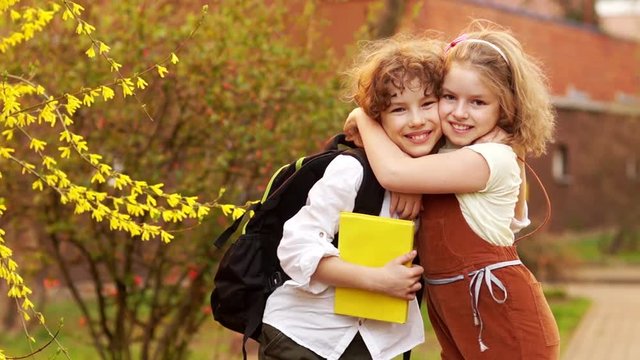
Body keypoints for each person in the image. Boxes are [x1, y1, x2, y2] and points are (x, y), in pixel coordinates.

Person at [345, 21, 560, 359]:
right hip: (458, 318)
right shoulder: (446, 155)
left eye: (477, 102)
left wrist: (363, 116)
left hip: (502, 318)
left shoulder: (489, 157)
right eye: (448, 97)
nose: (459, 113)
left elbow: (394, 173)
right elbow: (406, 164)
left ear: (506, 108)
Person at [258, 35, 446, 360]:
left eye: (428, 104)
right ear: (377, 118)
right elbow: (295, 248)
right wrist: (377, 280)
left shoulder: (442, 175)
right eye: (399, 109)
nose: (417, 120)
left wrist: (410, 178)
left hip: (378, 346)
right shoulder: (352, 171)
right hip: (306, 337)